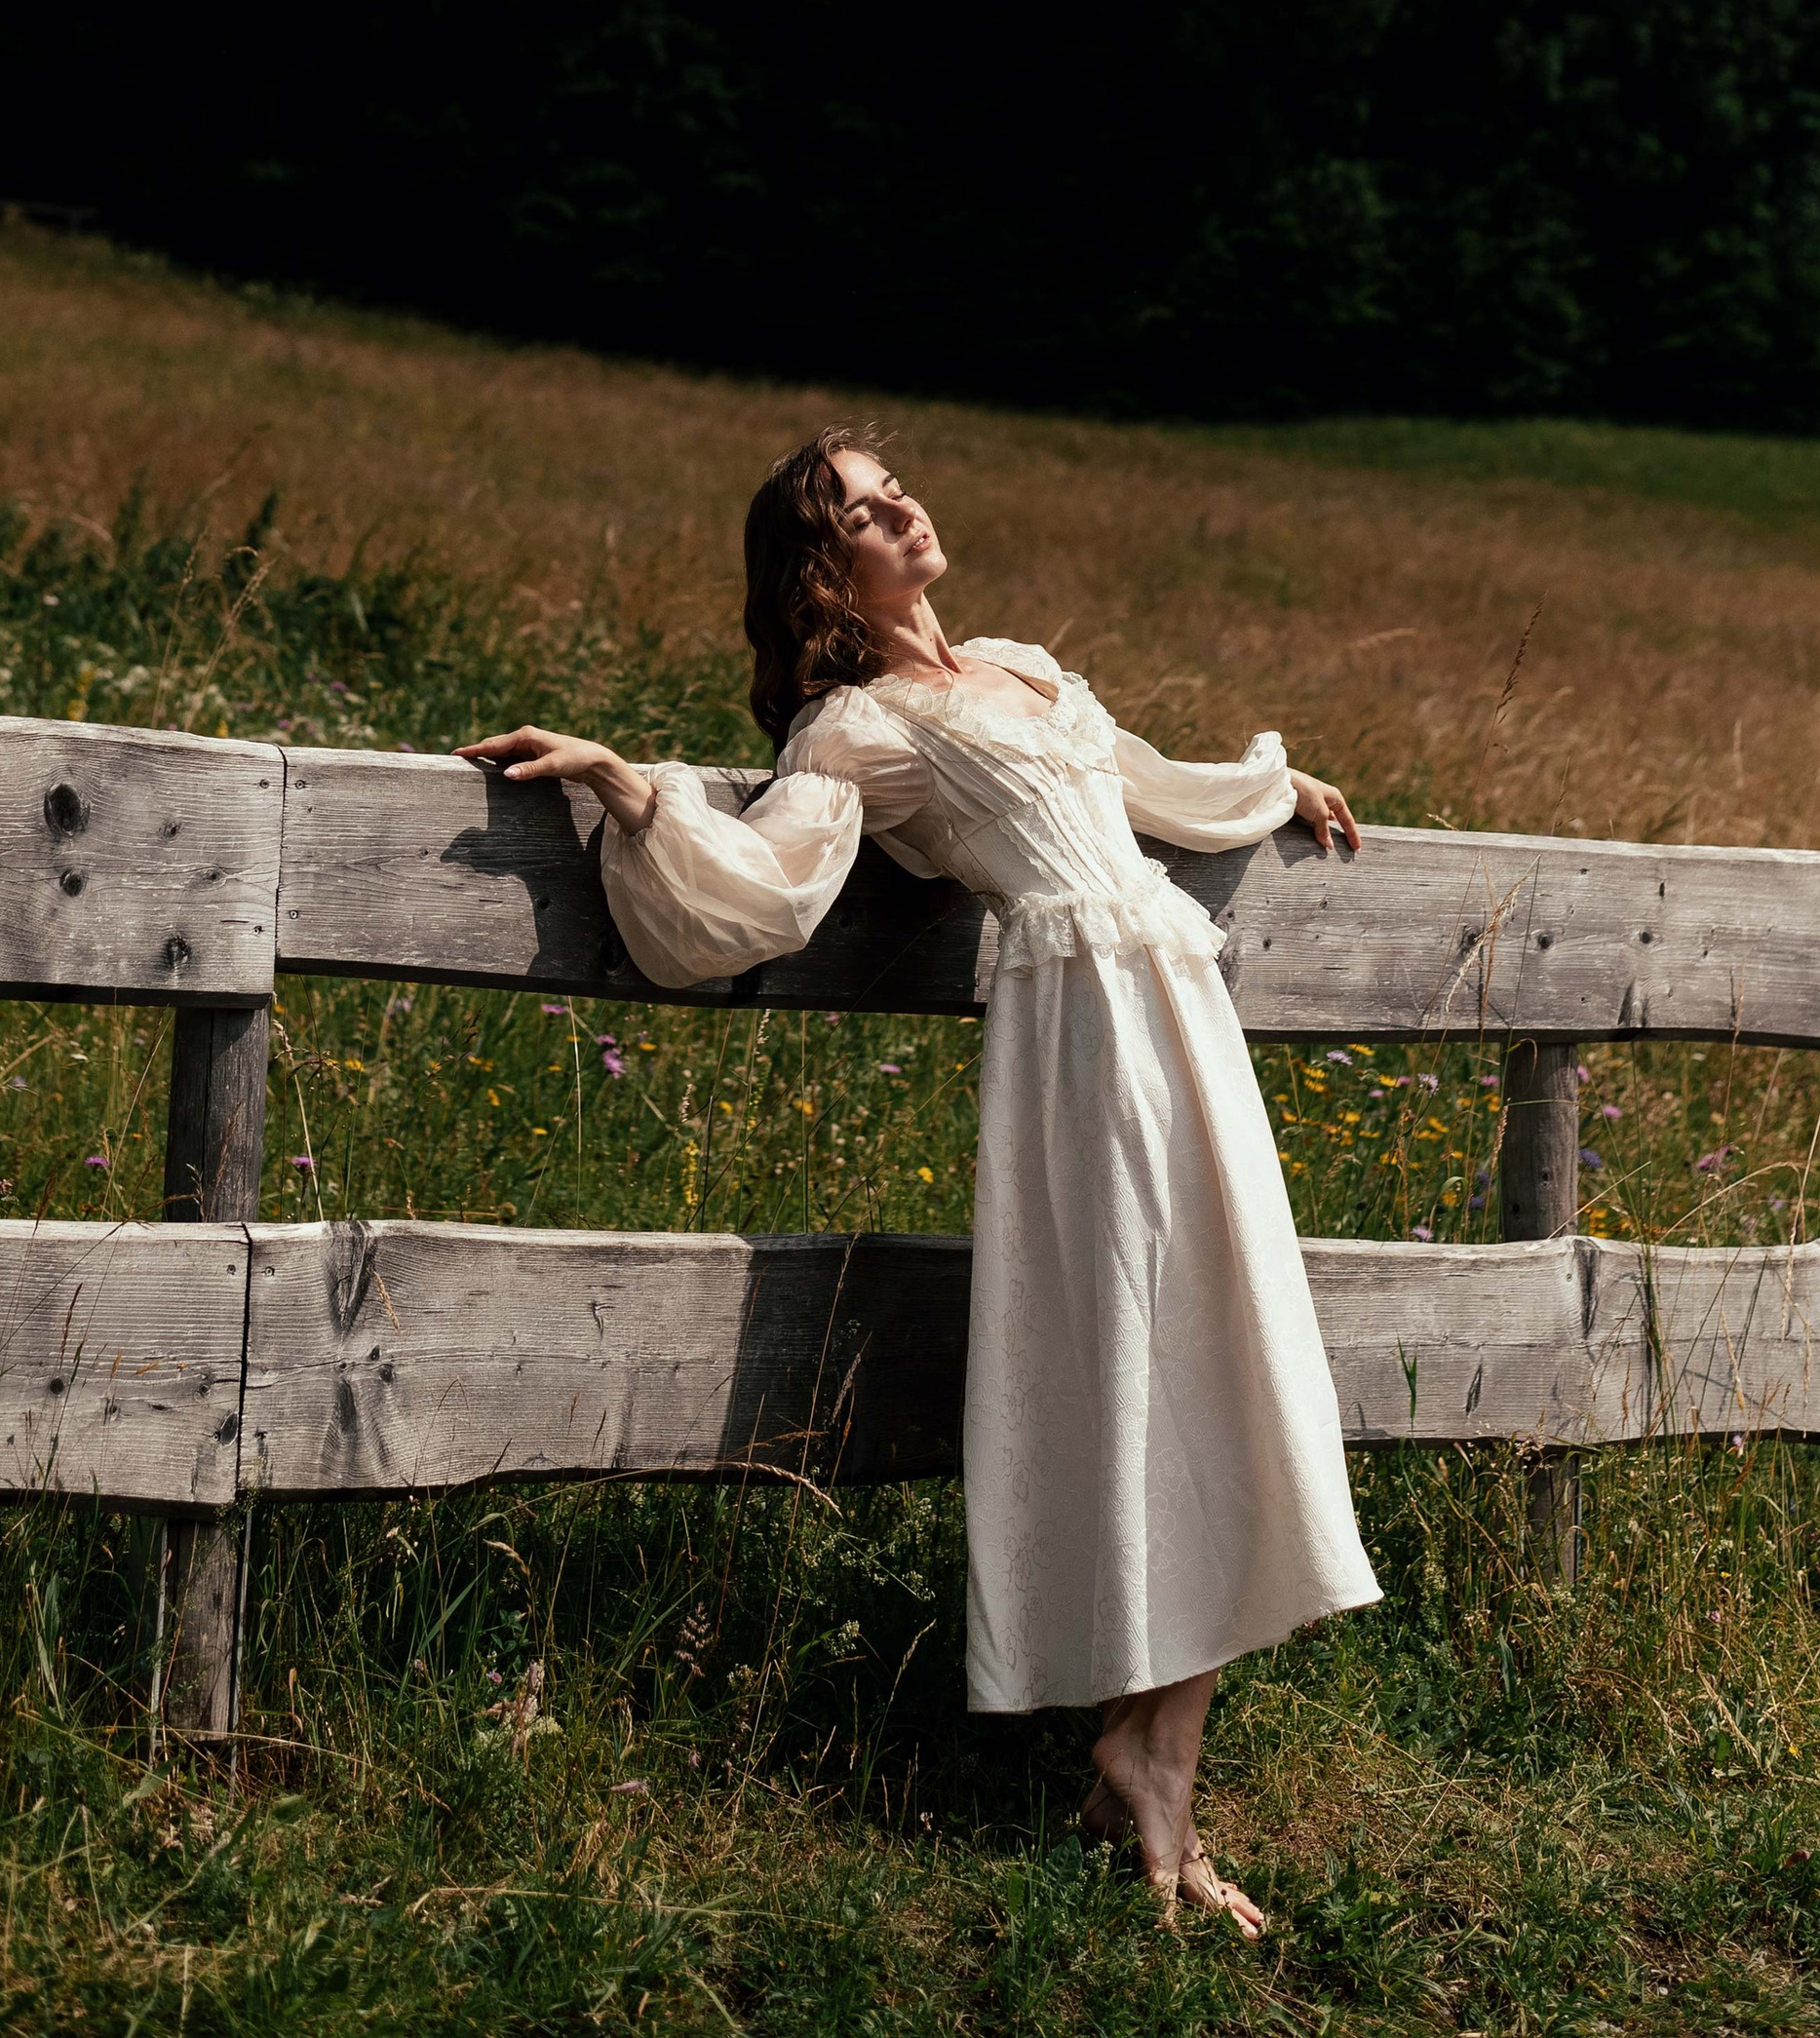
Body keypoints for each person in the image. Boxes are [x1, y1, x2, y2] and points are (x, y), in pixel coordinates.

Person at [458, 431, 1380, 1931]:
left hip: (1180, 1011)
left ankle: (1153, 1752)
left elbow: (1145, 787)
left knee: (1236, 1346)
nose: (905, 508)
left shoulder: (1020, 664)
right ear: (825, 571)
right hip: (1082, 1037)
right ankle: (1147, 1765)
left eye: (897, 486)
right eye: (864, 507)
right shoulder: (855, 730)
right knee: (1155, 1356)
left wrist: (1274, 790)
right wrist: (632, 788)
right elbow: (766, 889)